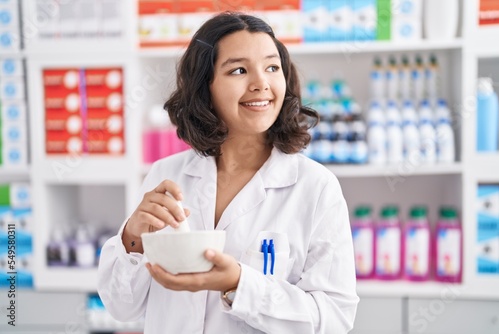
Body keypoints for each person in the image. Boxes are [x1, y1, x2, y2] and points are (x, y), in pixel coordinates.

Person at [97, 11, 359, 334]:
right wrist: (132, 238)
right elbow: (121, 306)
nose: (261, 83)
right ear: (205, 88)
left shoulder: (316, 189)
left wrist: (240, 284)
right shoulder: (166, 176)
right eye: (238, 70)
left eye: (272, 67)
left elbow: (334, 319)